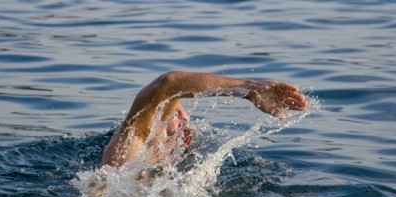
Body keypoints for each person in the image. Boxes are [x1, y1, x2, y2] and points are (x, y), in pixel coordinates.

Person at [99, 71, 307, 168]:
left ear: (183, 138)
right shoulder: (127, 149)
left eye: (177, 112)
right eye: (171, 108)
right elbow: (169, 84)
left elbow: (169, 87)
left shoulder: (137, 165)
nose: (176, 110)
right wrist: (249, 88)